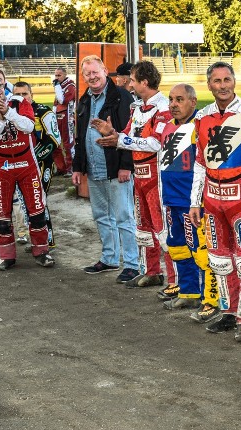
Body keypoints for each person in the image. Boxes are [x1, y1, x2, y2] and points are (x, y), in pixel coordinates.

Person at [189, 62, 241, 337]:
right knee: (220, 261)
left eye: (227, 80)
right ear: (208, 85)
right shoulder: (201, 117)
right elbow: (199, 163)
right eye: (216, 81)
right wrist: (194, 201)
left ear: (234, 81)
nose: (222, 86)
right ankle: (229, 312)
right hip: (211, 199)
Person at [98, 61, 175, 291]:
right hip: (139, 175)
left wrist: (120, 140)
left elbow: (155, 143)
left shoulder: (163, 107)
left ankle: (175, 280)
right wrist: (111, 133)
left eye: (132, 79)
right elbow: (128, 134)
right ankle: (151, 272)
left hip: (157, 176)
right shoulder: (136, 107)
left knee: (163, 230)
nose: (129, 83)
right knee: (143, 228)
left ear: (144, 82)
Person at [155, 83, 220, 320]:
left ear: (193, 101)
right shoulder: (166, 127)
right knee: (178, 247)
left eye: (179, 99)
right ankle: (189, 292)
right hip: (171, 200)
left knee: (202, 252)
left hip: (193, 203)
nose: (173, 104)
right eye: (171, 99)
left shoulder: (201, 126)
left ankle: (211, 300)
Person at [0, 75, 55, 270]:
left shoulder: (19, 102)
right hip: (1, 166)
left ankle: (42, 252)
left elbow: (28, 127)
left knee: (36, 210)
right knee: (2, 214)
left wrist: (8, 113)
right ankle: (6, 256)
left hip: (27, 164)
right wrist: (0, 120)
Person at [71, 55, 138, 283]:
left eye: (95, 72)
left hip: (117, 168)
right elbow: (80, 137)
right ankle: (109, 258)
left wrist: (126, 166)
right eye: (87, 74)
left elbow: (130, 134)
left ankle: (132, 264)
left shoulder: (121, 96)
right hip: (94, 168)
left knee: (123, 217)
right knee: (101, 216)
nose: (92, 77)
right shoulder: (84, 100)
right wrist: (78, 167)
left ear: (104, 70)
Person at [14, 81, 60, 246]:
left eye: (24, 94)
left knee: (39, 201)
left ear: (31, 94)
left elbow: (54, 139)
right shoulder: (11, 112)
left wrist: (32, 158)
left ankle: (48, 242)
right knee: (26, 203)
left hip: (41, 165)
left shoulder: (43, 111)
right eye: (17, 94)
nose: (21, 98)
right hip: (20, 167)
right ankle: (36, 241)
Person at [52, 67, 76, 175]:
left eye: (59, 75)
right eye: (55, 75)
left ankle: (71, 168)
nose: (56, 78)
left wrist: (56, 86)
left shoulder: (70, 86)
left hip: (67, 117)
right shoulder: (61, 86)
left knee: (68, 143)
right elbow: (57, 103)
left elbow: (63, 100)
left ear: (65, 75)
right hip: (58, 117)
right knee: (55, 142)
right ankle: (61, 168)